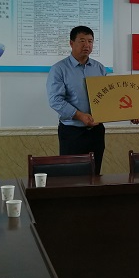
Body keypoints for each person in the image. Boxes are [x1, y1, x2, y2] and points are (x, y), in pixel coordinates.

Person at [46, 26, 106, 174]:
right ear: (71, 43)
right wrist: (80, 116)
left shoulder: (99, 68)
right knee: (71, 176)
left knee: (94, 174)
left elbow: (106, 97)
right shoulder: (59, 69)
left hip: (96, 132)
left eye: (90, 41)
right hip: (72, 133)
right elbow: (55, 100)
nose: (87, 45)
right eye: (82, 41)